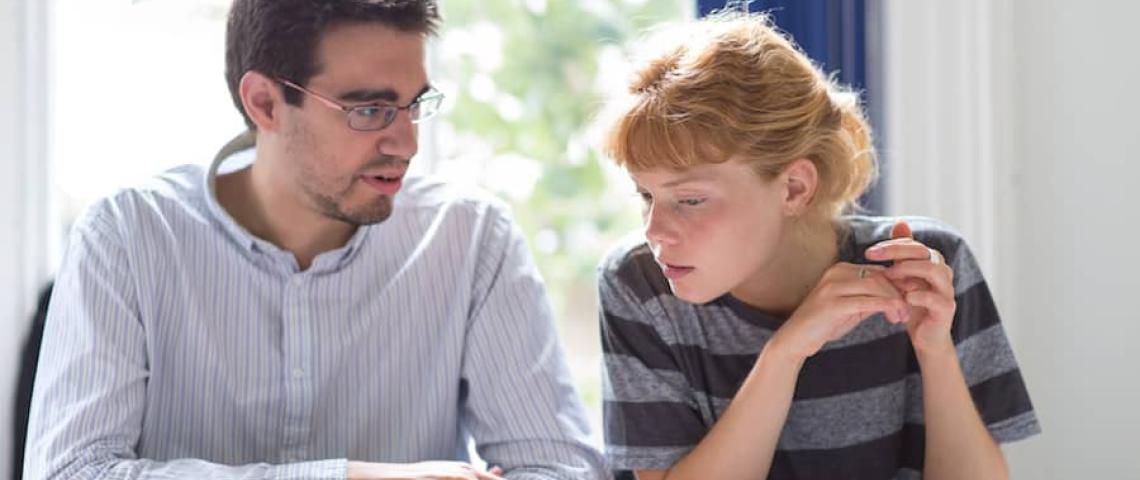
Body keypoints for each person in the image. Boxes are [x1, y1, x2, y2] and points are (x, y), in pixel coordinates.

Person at [23, 1, 607, 479]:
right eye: (372, 109)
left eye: (415, 105)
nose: (406, 143)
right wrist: (348, 478)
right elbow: (72, 471)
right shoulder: (126, 237)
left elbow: (558, 469)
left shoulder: (473, 239)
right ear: (266, 103)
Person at [596, 12, 1040, 480]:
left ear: (793, 188)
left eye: (689, 199)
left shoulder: (927, 268)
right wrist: (785, 353)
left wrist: (936, 352)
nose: (656, 230)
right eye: (647, 196)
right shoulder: (640, 286)